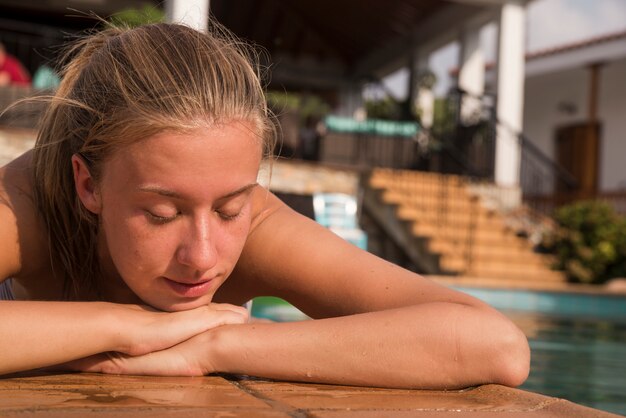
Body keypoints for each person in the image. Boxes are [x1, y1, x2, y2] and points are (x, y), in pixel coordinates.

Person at [0, 22, 530, 388]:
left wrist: (216, 348)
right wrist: (125, 326)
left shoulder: (261, 227)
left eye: (230, 208)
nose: (202, 256)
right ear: (88, 186)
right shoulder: (27, 206)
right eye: (162, 214)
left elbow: (495, 345)